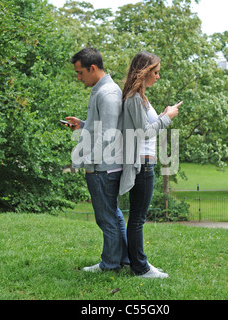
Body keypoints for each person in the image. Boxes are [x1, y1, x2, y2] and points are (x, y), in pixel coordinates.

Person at [66, 47, 129, 272]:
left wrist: (87, 163)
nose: (78, 77)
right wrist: (82, 125)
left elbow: (108, 134)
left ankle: (110, 264)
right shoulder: (101, 90)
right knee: (113, 215)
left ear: (93, 68)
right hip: (103, 166)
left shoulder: (107, 93)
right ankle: (124, 260)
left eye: (80, 72)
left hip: (103, 167)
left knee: (106, 218)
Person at [119, 51, 181, 278]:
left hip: (146, 162)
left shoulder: (141, 97)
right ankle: (140, 267)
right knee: (138, 219)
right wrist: (167, 118)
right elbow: (143, 133)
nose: (158, 76)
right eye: (155, 72)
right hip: (142, 164)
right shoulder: (135, 98)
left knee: (137, 217)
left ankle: (136, 262)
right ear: (144, 72)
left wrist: (163, 115)